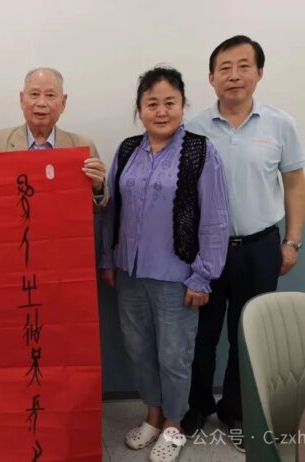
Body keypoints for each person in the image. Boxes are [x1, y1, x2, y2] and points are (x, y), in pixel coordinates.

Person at [181, 35, 305, 451]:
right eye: (225, 68)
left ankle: (235, 407)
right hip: (206, 251)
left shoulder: (280, 124)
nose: (234, 76)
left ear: (259, 72)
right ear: (211, 78)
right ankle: (197, 404)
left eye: (243, 66)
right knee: (201, 333)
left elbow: (295, 184)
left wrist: (292, 241)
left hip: (260, 246)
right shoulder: (193, 129)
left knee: (247, 334)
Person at [100, 67, 229, 462]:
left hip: (179, 277)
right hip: (130, 275)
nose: (160, 111)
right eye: (151, 103)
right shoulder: (127, 150)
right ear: (140, 109)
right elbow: (112, 210)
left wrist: (203, 277)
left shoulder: (200, 151)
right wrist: (108, 258)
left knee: (174, 356)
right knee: (138, 350)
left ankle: (174, 423)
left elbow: (215, 220)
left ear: (183, 105)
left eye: (169, 103)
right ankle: (153, 416)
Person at [0, 67, 108, 208]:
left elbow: (98, 209)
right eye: (34, 94)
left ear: (63, 103)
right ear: (22, 99)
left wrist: (97, 188)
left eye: (50, 95)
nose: (41, 103)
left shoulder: (83, 146)